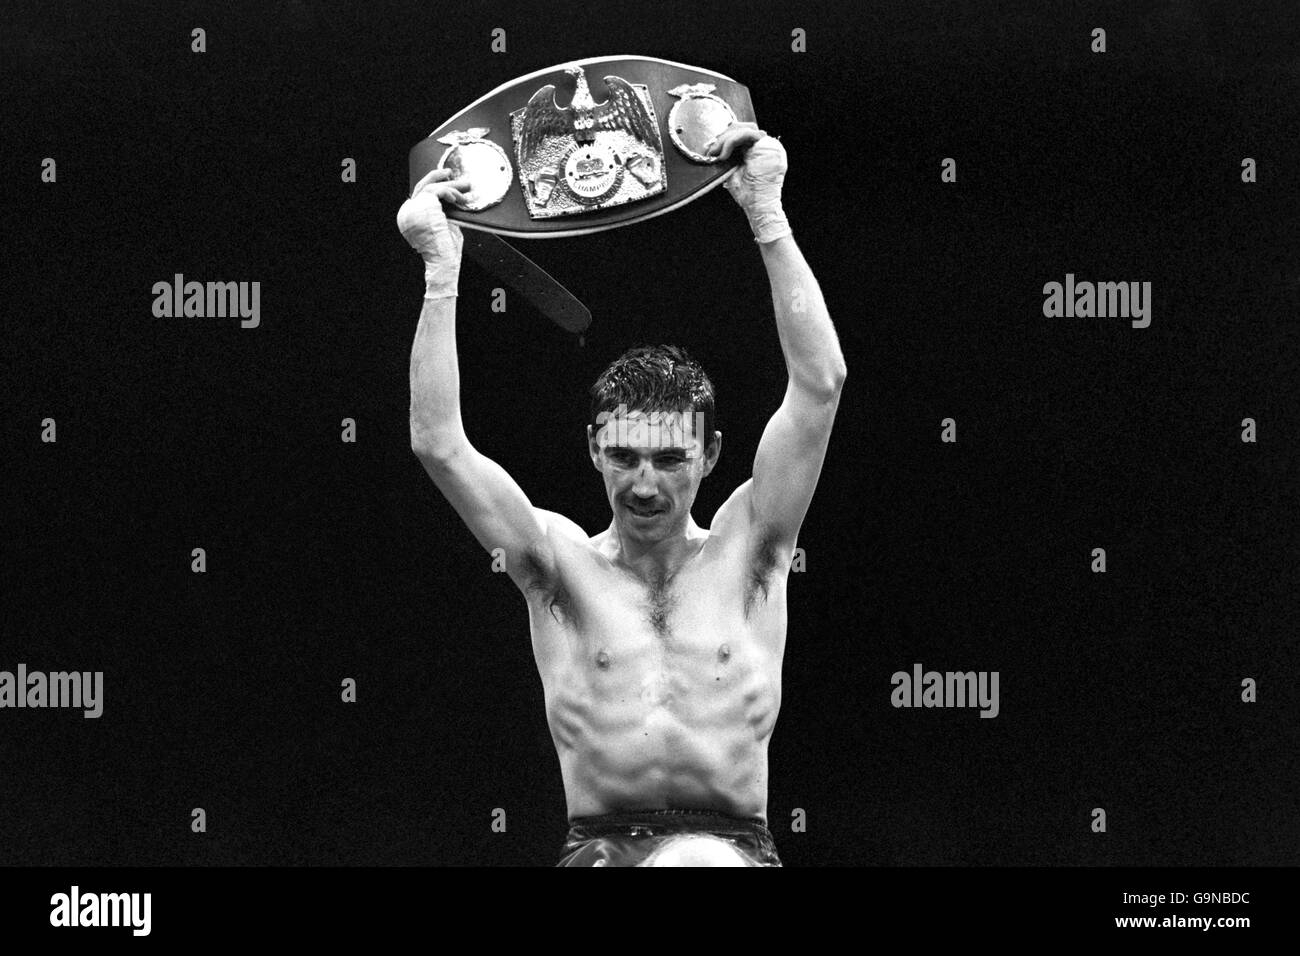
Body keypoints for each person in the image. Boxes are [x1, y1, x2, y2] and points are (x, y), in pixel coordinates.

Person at [399, 123, 846, 866]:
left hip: (731, 853)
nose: (645, 483)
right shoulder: (557, 566)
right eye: (625, 455)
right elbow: (438, 443)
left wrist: (768, 216)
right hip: (596, 854)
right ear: (593, 452)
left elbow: (820, 385)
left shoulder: (756, 545)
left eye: (670, 458)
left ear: (711, 457)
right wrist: (440, 272)